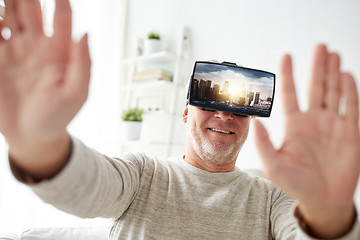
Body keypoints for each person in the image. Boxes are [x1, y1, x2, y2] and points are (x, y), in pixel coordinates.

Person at [0, 0, 359, 239]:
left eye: (238, 108)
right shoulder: (143, 175)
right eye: (209, 102)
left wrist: (329, 213)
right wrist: (40, 146)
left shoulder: (271, 196)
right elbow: (88, 188)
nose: (224, 114)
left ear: (251, 120)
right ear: (185, 113)